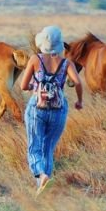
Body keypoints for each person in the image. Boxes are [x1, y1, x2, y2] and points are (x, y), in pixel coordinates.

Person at [20, 25, 83, 195]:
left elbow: (23, 85)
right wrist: (79, 101)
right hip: (58, 109)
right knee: (48, 147)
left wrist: (35, 85)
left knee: (34, 147)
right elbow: (77, 82)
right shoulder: (66, 63)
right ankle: (44, 186)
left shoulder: (35, 59)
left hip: (36, 108)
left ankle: (41, 176)